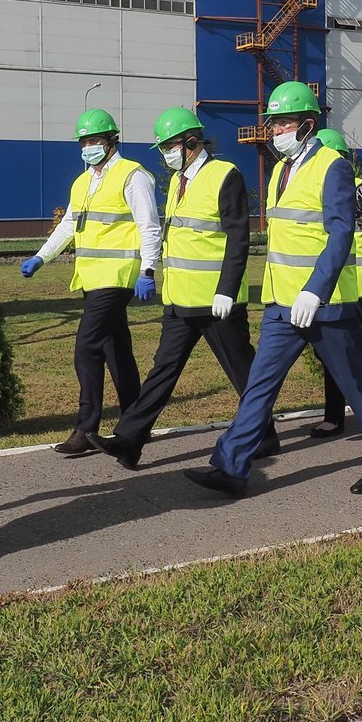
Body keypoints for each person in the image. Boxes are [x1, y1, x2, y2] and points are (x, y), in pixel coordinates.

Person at [184, 81, 362, 498]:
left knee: (357, 386)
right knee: (259, 386)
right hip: (282, 305)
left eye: (283, 123)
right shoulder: (280, 170)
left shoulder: (332, 166)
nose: (275, 131)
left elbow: (340, 235)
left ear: (307, 124)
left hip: (325, 307)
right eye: (273, 123)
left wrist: (315, 291)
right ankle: (231, 468)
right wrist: (283, 295)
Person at [89, 109, 275, 469]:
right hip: (179, 300)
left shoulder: (225, 175)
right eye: (163, 148)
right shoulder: (177, 181)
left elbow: (239, 238)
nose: (165, 154)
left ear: (191, 142)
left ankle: (264, 434)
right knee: (162, 371)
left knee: (242, 371)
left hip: (216, 301)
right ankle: (129, 441)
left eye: (170, 146)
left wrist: (227, 289)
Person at [22, 109, 161, 457]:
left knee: (86, 346)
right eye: (85, 142)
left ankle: (86, 427)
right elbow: (69, 225)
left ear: (113, 141)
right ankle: (137, 423)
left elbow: (149, 225)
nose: (89, 147)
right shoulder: (82, 181)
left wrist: (148, 270)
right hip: (90, 278)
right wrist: (42, 257)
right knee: (116, 349)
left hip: (118, 277)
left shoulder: (133, 176)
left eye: (96, 141)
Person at [308, 128, 362, 439]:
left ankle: (339, 414)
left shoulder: (361, 191)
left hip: (355, 288)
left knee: (341, 351)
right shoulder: (315, 189)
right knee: (329, 352)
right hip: (328, 283)